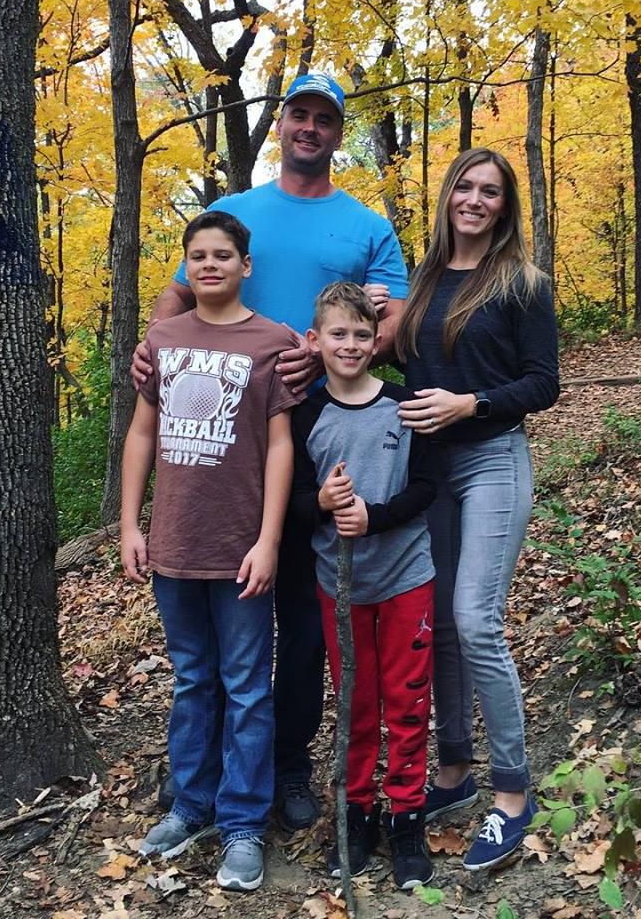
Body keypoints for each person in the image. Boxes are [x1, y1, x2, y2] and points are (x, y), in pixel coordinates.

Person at [132, 73, 408, 832]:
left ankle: (286, 765)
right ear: (280, 121)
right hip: (218, 440)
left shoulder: (365, 227)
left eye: (325, 119)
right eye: (299, 114)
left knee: (301, 615)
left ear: (337, 133)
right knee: (224, 613)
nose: (310, 128)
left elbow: (394, 320)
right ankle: (207, 773)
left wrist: (324, 356)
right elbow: (177, 296)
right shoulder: (237, 216)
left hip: (314, 431)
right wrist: (149, 350)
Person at [121, 211, 298, 890]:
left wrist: (268, 539)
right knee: (194, 678)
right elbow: (142, 434)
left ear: (245, 265)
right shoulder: (163, 338)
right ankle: (191, 804)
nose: (210, 265)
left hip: (240, 549)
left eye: (223, 254)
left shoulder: (272, 342)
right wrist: (131, 527)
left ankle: (245, 824)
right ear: (185, 267)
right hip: (173, 545)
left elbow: (281, 444)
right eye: (198, 255)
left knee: (248, 687)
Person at [395, 148, 560, 871]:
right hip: (431, 471)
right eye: (465, 185)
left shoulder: (523, 284)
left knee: (476, 621)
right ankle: (455, 773)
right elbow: (422, 367)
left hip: (494, 459)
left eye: (490, 191)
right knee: (443, 632)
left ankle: (513, 795)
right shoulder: (424, 278)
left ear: (504, 206)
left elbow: (542, 382)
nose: (474, 199)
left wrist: (472, 403)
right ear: (448, 195)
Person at [291, 282, 442, 890]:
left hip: (406, 578)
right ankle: (357, 811)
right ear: (315, 340)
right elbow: (293, 500)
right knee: (355, 700)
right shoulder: (305, 412)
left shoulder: (406, 405)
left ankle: (406, 813)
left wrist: (374, 516)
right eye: (338, 334)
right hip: (340, 586)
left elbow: (428, 486)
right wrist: (323, 503)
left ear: (376, 339)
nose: (350, 345)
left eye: (361, 334)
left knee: (406, 700)